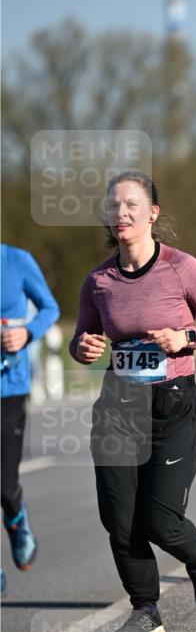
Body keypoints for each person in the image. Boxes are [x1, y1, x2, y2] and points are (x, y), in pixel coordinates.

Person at [69, 172, 196, 632]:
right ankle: (146, 611)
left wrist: (186, 337)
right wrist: (82, 348)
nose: (121, 213)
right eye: (114, 206)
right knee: (120, 519)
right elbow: (82, 338)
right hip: (118, 406)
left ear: (152, 214)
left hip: (172, 404)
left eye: (131, 205)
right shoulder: (99, 280)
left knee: (160, 521)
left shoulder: (183, 268)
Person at [1, 243, 60, 575]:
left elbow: (50, 309)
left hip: (8, 388)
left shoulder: (16, 261)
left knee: (5, 488)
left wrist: (25, 333)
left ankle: (16, 516)